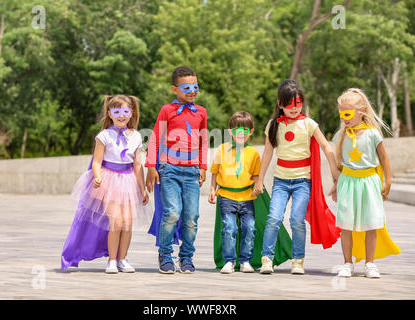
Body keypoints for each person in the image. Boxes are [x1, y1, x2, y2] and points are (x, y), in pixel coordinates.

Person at [254, 79, 341, 275]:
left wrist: (335, 173)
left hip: (303, 182)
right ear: (280, 104)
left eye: (298, 102)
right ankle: (266, 258)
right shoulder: (273, 125)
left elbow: (326, 147)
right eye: (289, 104)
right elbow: (267, 153)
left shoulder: (309, 124)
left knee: (296, 220)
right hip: (280, 181)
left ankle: (297, 259)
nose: (294, 108)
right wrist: (259, 179)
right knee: (274, 218)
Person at [61, 95, 152, 273]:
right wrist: (97, 176)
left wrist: (142, 188)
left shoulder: (136, 136)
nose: (121, 115)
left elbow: (137, 164)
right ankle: (111, 260)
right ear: (109, 114)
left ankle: (123, 259)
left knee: (127, 223)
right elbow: (97, 161)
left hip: (128, 181)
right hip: (109, 181)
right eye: (116, 112)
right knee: (116, 222)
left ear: (132, 112)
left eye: (125, 111)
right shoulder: (104, 136)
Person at [209, 111, 292, 274]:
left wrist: (258, 186)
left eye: (245, 130)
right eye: (237, 130)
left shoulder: (253, 153)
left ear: (251, 132)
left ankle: (245, 260)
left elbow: (255, 175)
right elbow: (215, 171)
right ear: (230, 131)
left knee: (249, 227)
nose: (241, 133)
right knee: (229, 228)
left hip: (247, 198)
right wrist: (212, 188)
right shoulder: (222, 149)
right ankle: (229, 261)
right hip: (226, 197)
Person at [145, 66, 208, 274]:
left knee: (191, 217)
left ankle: (186, 257)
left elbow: (203, 141)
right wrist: (151, 166)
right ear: (175, 89)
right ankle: (165, 255)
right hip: (169, 169)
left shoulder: (201, 112)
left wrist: (203, 166)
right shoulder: (167, 110)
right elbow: (155, 138)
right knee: (172, 212)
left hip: (191, 172)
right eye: (187, 87)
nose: (193, 91)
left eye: (195, 86)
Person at [332, 88, 401, 278]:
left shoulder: (373, 134)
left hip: (369, 182)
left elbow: (384, 159)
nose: (344, 118)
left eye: (348, 114)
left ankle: (370, 264)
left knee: (371, 223)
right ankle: (347, 263)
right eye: (341, 114)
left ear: (361, 112)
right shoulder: (341, 136)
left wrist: (388, 181)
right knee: (346, 224)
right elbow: (338, 162)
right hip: (347, 182)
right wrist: (335, 183)